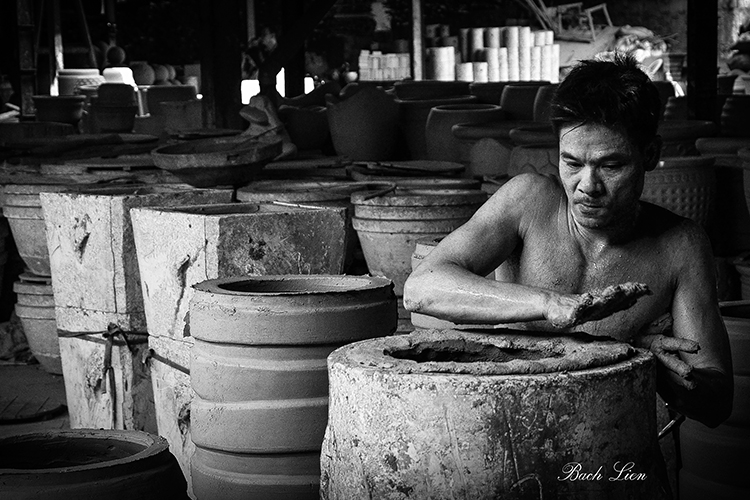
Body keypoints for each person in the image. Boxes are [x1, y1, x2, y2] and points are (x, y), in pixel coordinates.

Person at [403, 54, 733, 430]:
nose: (587, 187)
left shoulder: (679, 245)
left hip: (609, 443)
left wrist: (651, 366)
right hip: (511, 427)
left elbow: (718, 401)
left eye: (611, 166)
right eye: (572, 163)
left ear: (650, 155)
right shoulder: (528, 203)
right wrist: (549, 303)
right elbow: (422, 287)